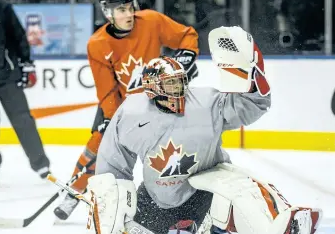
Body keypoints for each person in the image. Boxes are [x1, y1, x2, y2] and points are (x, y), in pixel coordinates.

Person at [85, 27, 321, 234]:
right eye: (170, 84)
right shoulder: (131, 113)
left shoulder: (205, 102)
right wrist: (107, 207)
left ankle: (278, 222)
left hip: (207, 192)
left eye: (180, 82)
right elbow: (112, 168)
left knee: (244, 187)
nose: (178, 90)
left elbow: (252, 105)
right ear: (152, 88)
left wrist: (252, 77)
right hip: (156, 199)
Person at [54, 0, 199, 220]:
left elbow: (187, 35)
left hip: (160, 102)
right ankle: (74, 193)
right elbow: (107, 90)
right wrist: (111, 118)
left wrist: (185, 56)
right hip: (122, 105)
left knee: (171, 153)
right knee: (98, 145)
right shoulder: (97, 44)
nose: (128, 14)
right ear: (108, 13)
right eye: (121, 10)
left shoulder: (151, 21)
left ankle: (177, 201)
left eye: (129, 7)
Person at [0, 0, 51, 186]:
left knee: (23, 120)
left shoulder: (0, 7)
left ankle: (41, 165)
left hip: (7, 74)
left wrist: (27, 64)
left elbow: (19, 36)